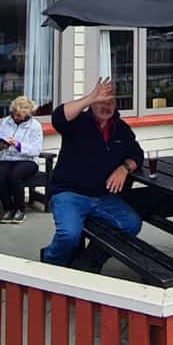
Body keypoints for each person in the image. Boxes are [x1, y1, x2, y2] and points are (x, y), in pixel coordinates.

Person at [41, 77, 144, 269]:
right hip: (70, 194)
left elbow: (136, 154)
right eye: (101, 102)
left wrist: (125, 168)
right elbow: (58, 117)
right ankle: (50, 264)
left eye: (110, 102)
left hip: (103, 197)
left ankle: (90, 261)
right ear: (92, 104)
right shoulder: (78, 122)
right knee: (69, 236)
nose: (106, 106)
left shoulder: (121, 129)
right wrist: (90, 97)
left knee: (131, 224)